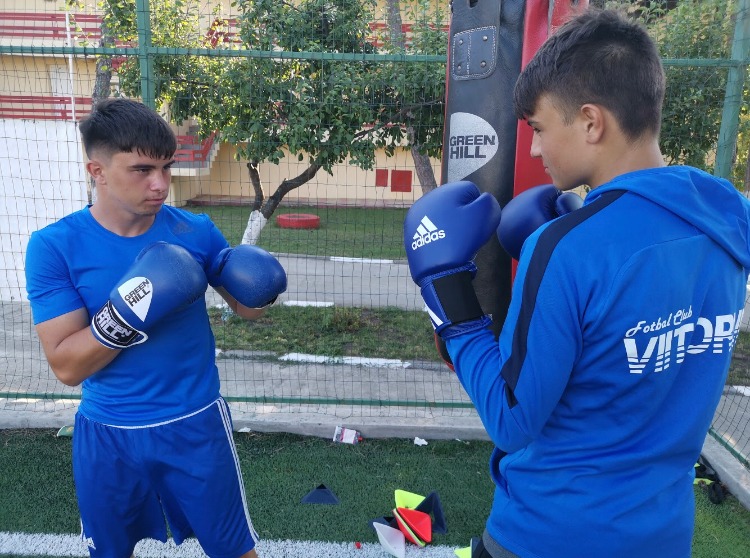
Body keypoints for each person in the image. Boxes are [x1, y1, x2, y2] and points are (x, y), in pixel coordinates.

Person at [404, 8, 750, 558]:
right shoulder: (728, 220)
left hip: (549, 535)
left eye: (540, 128)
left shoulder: (566, 249)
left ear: (591, 122)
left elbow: (512, 420)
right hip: (662, 537)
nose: (534, 149)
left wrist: (447, 293)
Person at [25, 98, 287, 558]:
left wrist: (260, 287)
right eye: (142, 170)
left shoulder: (194, 231)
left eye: (167, 167)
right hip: (108, 433)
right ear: (97, 171)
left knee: (235, 551)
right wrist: (126, 313)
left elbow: (248, 311)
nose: (160, 184)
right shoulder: (54, 247)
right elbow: (67, 366)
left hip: (195, 425)